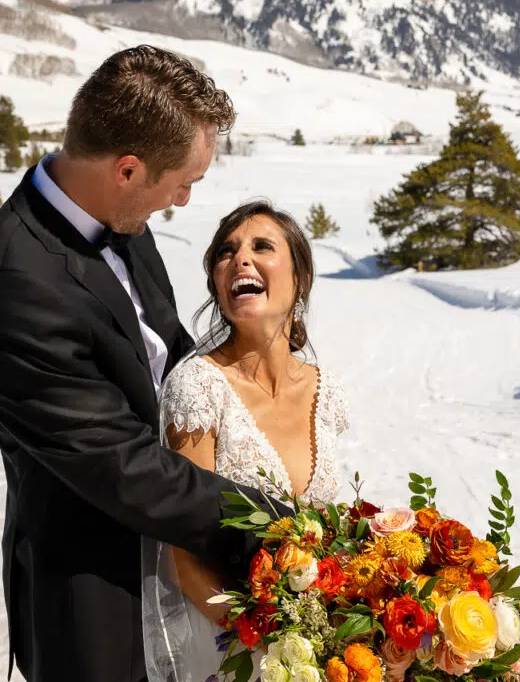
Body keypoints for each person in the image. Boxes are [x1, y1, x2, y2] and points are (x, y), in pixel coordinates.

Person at [0, 46, 288, 682]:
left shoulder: (123, 214)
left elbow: (169, 352)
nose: (184, 200)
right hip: (97, 598)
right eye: (183, 182)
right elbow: (122, 466)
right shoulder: (19, 282)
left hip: (186, 557)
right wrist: (269, 521)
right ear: (128, 170)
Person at [143, 201, 348, 681]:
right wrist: (270, 644)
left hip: (317, 645)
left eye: (262, 247)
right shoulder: (196, 386)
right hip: (232, 646)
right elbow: (185, 558)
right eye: (225, 252)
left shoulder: (326, 389)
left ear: (299, 279)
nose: (239, 260)